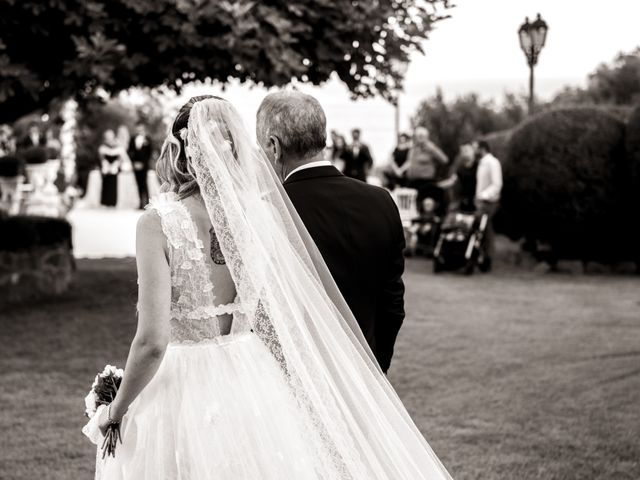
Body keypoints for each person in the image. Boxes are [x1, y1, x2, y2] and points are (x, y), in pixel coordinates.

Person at [83, 95, 453, 480]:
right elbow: (273, 316)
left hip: (182, 384)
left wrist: (115, 410)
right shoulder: (260, 216)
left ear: (181, 151)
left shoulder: (157, 222)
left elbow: (152, 342)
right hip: (253, 378)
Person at [257, 91, 405, 373]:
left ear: (274, 147)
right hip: (367, 371)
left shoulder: (269, 210)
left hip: (299, 376)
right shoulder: (382, 201)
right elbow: (392, 303)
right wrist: (377, 368)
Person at [474, 139, 503, 272]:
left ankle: (487, 260)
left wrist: (483, 196)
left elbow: (497, 184)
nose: (474, 150)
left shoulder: (492, 162)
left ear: (482, 148)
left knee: (486, 231)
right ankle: (482, 258)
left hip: (489, 202)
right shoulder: (481, 163)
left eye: (476, 148)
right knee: (483, 231)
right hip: (481, 202)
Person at [406, 126, 448, 213]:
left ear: (426, 137)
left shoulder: (431, 148)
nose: (419, 139)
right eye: (418, 136)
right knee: (412, 207)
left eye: (421, 136)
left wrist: (431, 148)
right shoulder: (413, 149)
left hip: (426, 183)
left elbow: (444, 160)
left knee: (425, 207)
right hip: (413, 182)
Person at [128, 123, 153, 208]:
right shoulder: (132, 139)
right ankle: (140, 204)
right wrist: (134, 163)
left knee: (144, 184)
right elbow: (129, 152)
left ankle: (147, 203)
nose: (139, 130)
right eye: (138, 129)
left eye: (141, 129)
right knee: (138, 184)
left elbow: (149, 153)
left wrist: (143, 163)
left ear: (143, 129)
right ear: (136, 129)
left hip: (144, 166)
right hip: (135, 165)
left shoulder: (148, 139)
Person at [98, 130, 124, 207]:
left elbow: (120, 158)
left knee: (113, 185)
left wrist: (115, 165)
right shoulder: (103, 146)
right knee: (105, 184)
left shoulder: (118, 146)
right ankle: (105, 202)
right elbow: (101, 157)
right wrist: (105, 164)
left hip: (114, 167)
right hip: (105, 167)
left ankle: (113, 202)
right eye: (107, 136)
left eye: (110, 136)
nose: (109, 138)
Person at [452, 143, 478, 212]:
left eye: (466, 150)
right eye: (462, 151)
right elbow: (452, 180)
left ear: (473, 151)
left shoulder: (479, 166)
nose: (464, 153)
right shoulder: (461, 168)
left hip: (477, 201)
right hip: (464, 200)